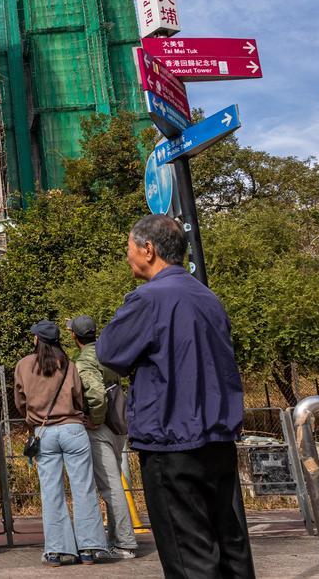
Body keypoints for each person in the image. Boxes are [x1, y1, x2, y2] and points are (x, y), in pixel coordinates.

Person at [97, 214, 254, 578]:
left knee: (188, 553)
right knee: (229, 543)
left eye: (129, 248)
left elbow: (109, 350)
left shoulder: (148, 299)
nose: (127, 256)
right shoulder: (207, 296)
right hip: (218, 437)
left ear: (148, 250)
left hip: (171, 439)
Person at [14, 320, 108, 567]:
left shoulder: (23, 365)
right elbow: (79, 397)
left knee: (51, 492)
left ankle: (58, 551)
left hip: (44, 432)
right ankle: (90, 548)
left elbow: (20, 401)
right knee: (84, 489)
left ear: (37, 339)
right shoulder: (70, 364)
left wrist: (33, 418)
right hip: (73, 429)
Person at [69, 315, 138, 560]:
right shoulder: (107, 351)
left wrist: (95, 419)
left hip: (100, 428)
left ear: (74, 336)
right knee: (114, 482)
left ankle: (125, 543)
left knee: (110, 487)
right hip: (119, 422)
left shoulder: (84, 360)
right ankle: (115, 538)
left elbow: (96, 394)